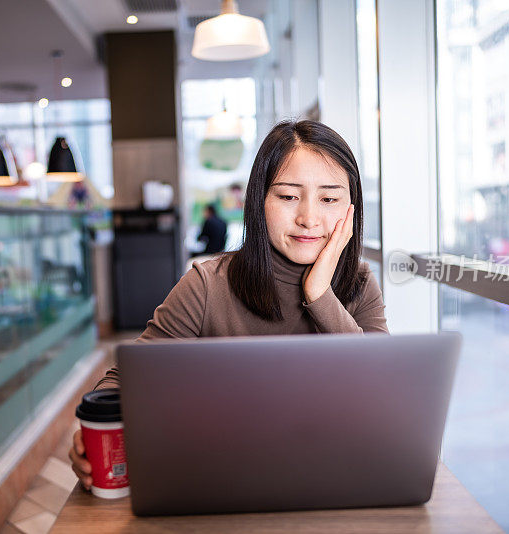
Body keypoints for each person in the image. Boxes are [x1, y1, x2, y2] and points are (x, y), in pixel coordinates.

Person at [69, 119, 389, 490]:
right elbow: (124, 382)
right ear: (259, 201)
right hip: (219, 484)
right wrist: (97, 436)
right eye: (288, 196)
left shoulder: (360, 284)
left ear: (351, 209)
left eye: (329, 199)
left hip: (335, 480)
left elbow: (381, 398)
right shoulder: (207, 286)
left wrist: (319, 295)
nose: (309, 218)